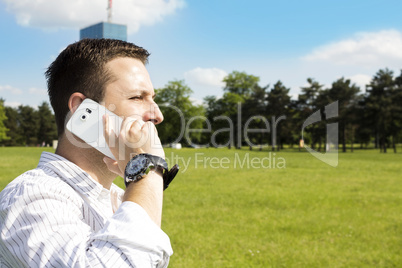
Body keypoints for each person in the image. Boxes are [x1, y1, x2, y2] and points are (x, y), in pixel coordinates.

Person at [0, 39, 176, 267]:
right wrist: (147, 168)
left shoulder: (121, 198)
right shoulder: (30, 197)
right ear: (83, 110)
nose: (157, 114)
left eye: (153, 98)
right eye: (137, 97)